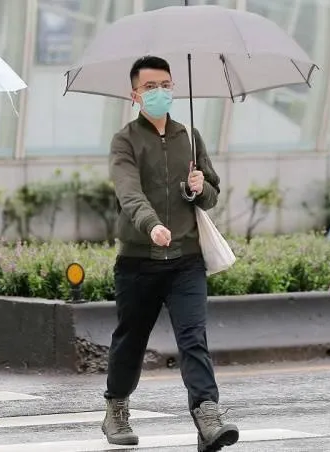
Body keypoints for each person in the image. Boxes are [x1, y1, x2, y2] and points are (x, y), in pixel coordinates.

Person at [102, 56, 239, 452]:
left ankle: (208, 416)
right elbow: (129, 193)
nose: (159, 92)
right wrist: (151, 225)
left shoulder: (190, 136)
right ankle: (116, 407)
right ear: (135, 95)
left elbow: (211, 195)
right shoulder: (125, 140)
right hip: (138, 261)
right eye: (150, 87)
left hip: (185, 260)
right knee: (131, 338)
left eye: (165, 84)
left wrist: (198, 187)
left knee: (193, 338)